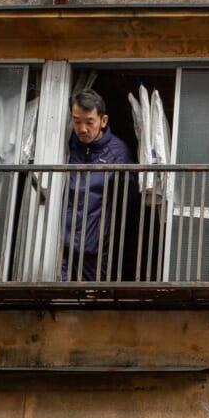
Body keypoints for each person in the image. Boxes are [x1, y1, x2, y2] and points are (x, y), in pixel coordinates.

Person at [62, 90, 134, 281]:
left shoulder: (118, 153)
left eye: (89, 122)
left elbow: (130, 197)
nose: (82, 129)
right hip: (60, 246)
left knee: (88, 303)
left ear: (103, 121)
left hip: (95, 251)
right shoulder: (66, 143)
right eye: (77, 122)